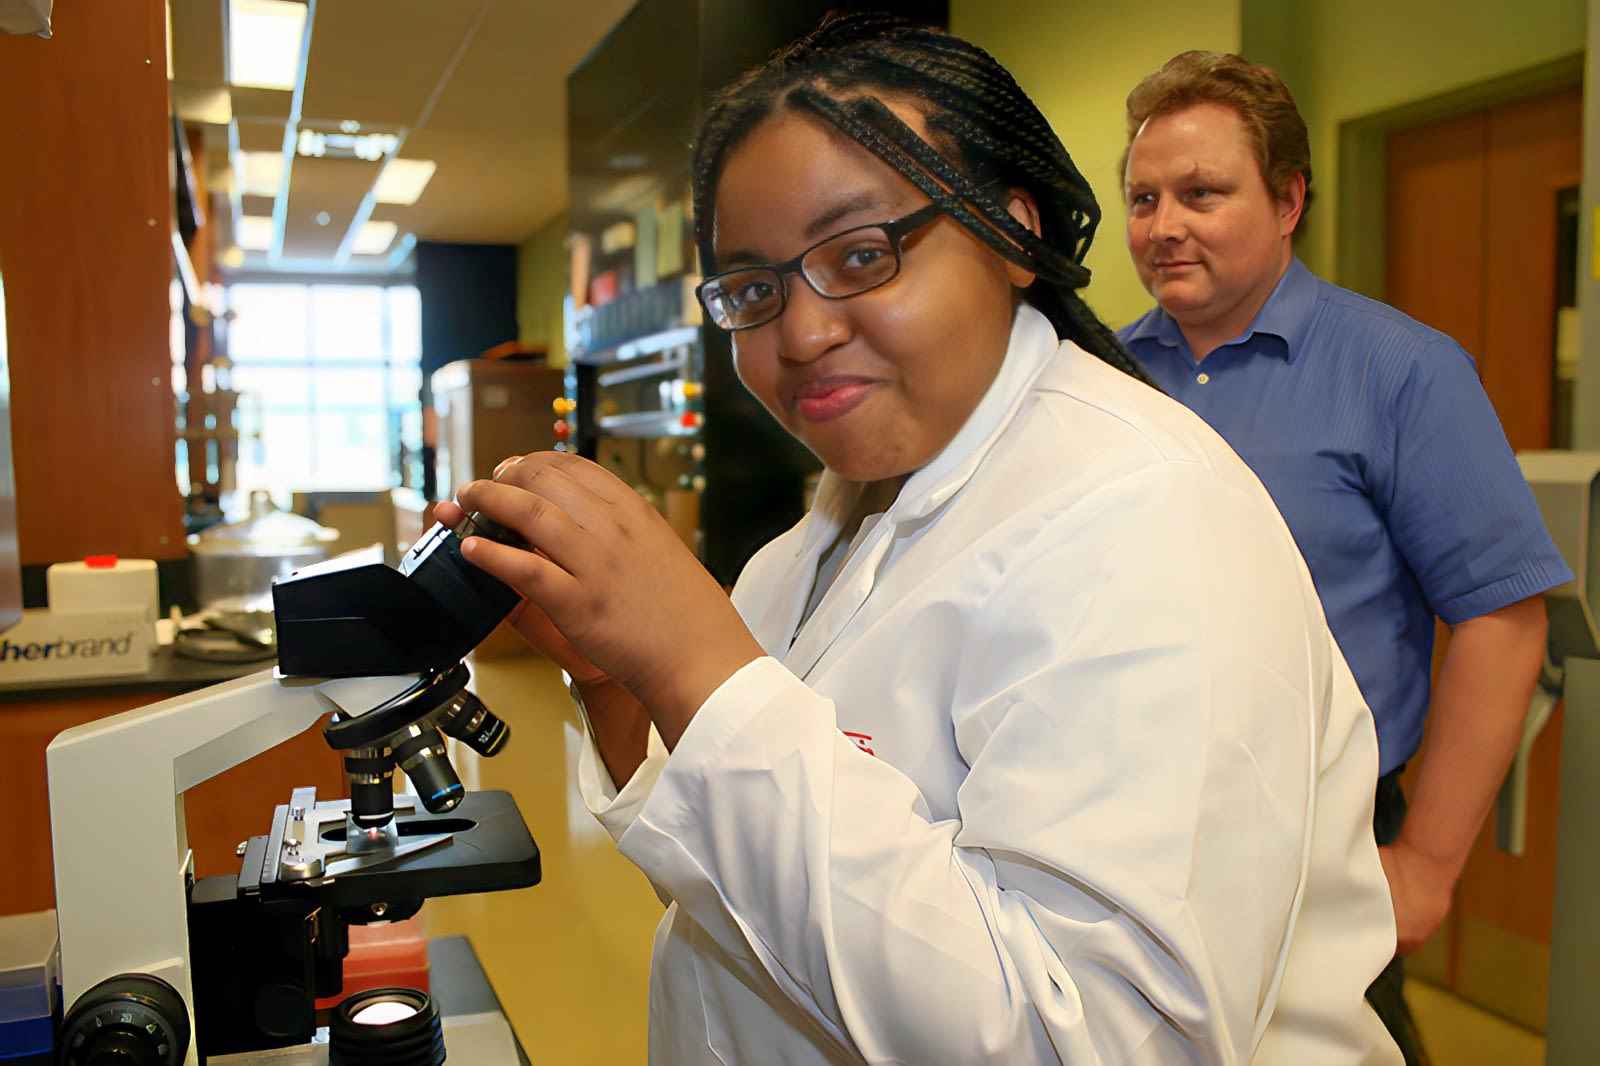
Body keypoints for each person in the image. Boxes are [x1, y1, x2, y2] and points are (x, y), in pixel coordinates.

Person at [438, 15, 1400, 1063]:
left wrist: (699, 667)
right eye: (754, 289)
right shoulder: (820, 534)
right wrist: (626, 685)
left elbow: (1097, 1037)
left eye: (860, 254)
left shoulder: (1152, 518)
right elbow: (743, 880)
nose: (799, 335)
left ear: (1006, 232)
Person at [1116, 50, 1572, 1064]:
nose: (1164, 225)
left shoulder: (1401, 372)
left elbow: (1503, 619)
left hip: (1321, 831)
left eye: (1202, 193)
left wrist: (1427, 863)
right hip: (1128, 813)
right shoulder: (1099, 374)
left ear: (1287, 200)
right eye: (1143, 197)